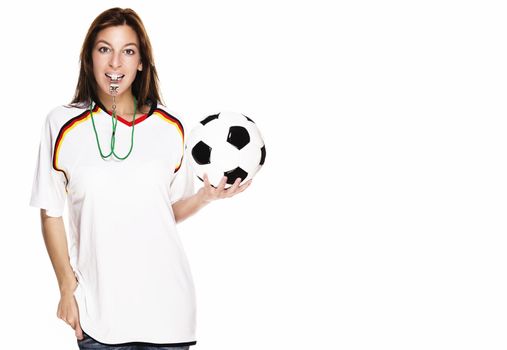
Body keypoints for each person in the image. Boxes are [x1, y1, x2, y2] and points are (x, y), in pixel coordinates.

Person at [29, 7, 251, 350]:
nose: (115, 63)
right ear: (89, 58)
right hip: (99, 318)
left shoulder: (171, 126)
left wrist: (205, 197)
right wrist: (65, 286)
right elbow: (50, 211)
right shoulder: (61, 124)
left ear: (142, 62)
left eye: (128, 51)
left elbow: (167, 211)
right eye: (104, 49)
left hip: (168, 316)